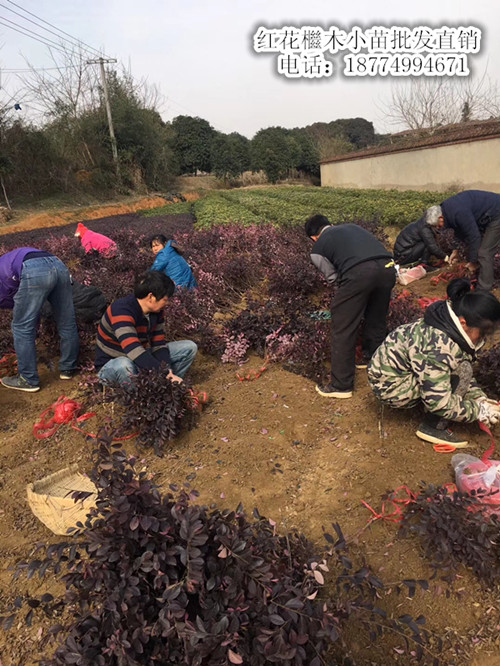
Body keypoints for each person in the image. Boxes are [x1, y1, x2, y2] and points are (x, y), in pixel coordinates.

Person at [368, 278, 500, 447]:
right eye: (483, 332)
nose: (485, 338)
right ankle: (433, 426)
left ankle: (427, 403)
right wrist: (477, 411)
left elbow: (460, 365)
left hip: (400, 373)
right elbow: (439, 401)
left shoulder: (449, 325)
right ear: (463, 323)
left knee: (462, 369)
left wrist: (479, 399)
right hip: (391, 387)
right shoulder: (439, 347)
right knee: (463, 371)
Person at [305, 215, 396, 399]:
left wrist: (349, 297)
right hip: (388, 268)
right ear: (329, 224)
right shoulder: (352, 227)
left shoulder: (317, 248)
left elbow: (333, 278)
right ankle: (373, 359)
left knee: (342, 324)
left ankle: (341, 385)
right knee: (376, 317)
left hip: (360, 273)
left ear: (313, 237)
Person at [95, 270, 197, 387]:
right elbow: (133, 349)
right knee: (124, 365)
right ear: (151, 297)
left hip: (136, 360)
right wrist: (162, 372)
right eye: (165, 299)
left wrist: (166, 370)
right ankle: (136, 399)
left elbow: (158, 344)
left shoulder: (156, 312)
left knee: (188, 348)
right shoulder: (121, 311)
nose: (167, 303)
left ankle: (165, 388)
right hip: (113, 364)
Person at [0, 247, 79, 392]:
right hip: (58, 264)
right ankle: (68, 368)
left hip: (32, 269)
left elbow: (20, 312)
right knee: (66, 321)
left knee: (20, 328)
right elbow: (30, 310)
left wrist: (30, 329)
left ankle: (28, 380)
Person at [425, 190, 500, 291]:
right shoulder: (447, 210)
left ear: (441, 217)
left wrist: (473, 262)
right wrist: (455, 251)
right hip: (487, 213)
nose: (439, 228)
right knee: (480, 249)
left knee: (485, 253)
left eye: (438, 225)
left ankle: (484, 289)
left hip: (496, 213)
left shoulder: (458, 212)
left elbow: (474, 236)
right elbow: (460, 232)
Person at [393, 214, 457, 268]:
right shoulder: (424, 229)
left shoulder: (422, 223)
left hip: (402, 253)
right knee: (427, 245)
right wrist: (446, 258)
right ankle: (424, 265)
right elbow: (432, 247)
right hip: (403, 256)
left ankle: (425, 263)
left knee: (427, 244)